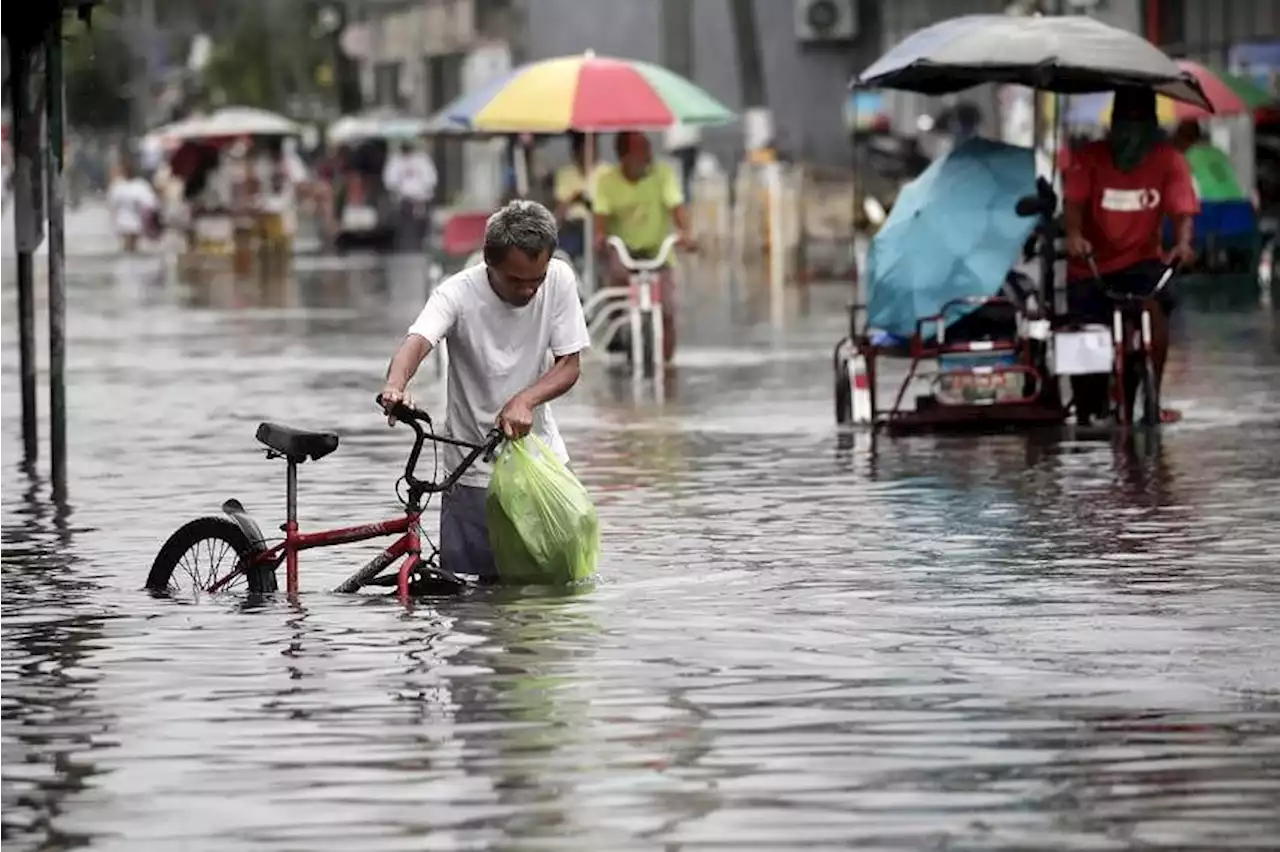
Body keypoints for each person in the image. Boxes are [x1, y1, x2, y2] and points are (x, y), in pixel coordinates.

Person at [379, 200, 590, 581]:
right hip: (470, 466)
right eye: (515, 280)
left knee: (559, 585)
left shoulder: (559, 278)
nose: (528, 290)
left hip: (541, 461)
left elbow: (569, 365)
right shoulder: (456, 294)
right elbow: (417, 342)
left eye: (535, 280)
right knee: (473, 602)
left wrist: (525, 399)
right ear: (488, 261)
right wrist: (395, 387)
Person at [1063, 87, 1198, 425]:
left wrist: (1183, 244)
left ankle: (1153, 395)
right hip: (1090, 264)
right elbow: (1074, 204)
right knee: (1084, 336)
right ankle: (1088, 401)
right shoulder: (1089, 157)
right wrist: (1075, 236)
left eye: (1139, 122)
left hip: (1141, 261)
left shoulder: (1169, 160)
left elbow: (1182, 210)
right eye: (1124, 122)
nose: (1130, 133)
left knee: (1158, 308)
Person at [593, 131, 696, 362]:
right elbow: (600, 216)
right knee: (617, 285)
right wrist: (599, 236)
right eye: (641, 150)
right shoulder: (607, 180)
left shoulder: (663, 174)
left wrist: (685, 234)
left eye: (648, 148)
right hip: (624, 251)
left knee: (668, 310)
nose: (648, 156)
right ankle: (619, 329)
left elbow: (676, 206)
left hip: (657, 251)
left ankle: (667, 367)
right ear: (624, 155)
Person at [552, 132, 603, 260]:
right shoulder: (565, 174)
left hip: (598, 226)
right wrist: (574, 198)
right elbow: (559, 211)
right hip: (573, 226)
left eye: (594, 146)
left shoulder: (606, 172)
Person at [382, 141, 438, 250]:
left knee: (422, 223)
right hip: (404, 199)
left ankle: (421, 244)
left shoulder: (421, 159)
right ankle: (406, 246)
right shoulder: (396, 160)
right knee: (404, 224)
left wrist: (424, 193)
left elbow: (430, 178)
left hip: (422, 198)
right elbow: (390, 180)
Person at [106, 158, 159, 254]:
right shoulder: (119, 185)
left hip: (134, 219)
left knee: (131, 244)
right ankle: (129, 261)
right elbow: (112, 203)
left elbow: (150, 203)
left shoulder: (139, 185)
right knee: (129, 244)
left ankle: (130, 261)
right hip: (125, 219)